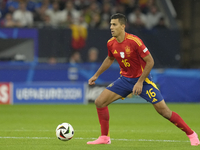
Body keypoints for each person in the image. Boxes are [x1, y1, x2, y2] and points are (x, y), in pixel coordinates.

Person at [87, 13, 199, 146]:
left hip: (143, 81)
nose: (111, 27)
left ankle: (191, 134)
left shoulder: (135, 41)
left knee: (164, 111)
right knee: (100, 102)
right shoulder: (111, 43)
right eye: (111, 24)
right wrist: (96, 75)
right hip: (124, 80)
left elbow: (150, 61)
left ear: (123, 26)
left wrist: (140, 82)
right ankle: (104, 138)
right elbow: (110, 59)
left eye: (114, 24)